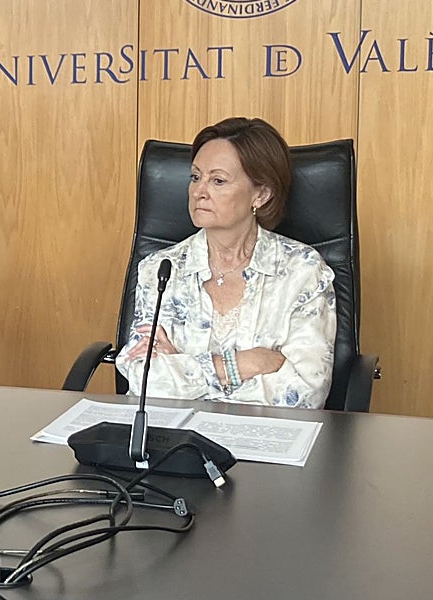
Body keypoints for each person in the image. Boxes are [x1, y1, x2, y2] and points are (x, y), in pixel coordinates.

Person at [116, 117, 337, 408]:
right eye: (195, 177)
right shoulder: (161, 269)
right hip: (174, 441)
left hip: (265, 442)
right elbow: (144, 380)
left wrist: (182, 368)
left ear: (261, 194)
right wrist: (245, 364)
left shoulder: (303, 271)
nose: (199, 191)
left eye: (218, 180)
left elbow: (307, 391)